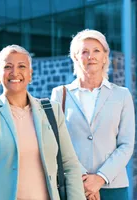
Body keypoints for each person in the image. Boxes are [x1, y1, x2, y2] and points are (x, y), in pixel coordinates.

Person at [0, 45, 85, 200]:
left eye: (22, 66)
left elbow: (70, 165)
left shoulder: (51, 110)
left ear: (30, 74)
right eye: (8, 66)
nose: (15, 72)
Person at [51, 29, 135, 200]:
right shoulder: (60, 94)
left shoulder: (122, 94)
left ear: (105, 56)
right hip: (74, 186)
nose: (91, 56)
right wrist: (83, 179)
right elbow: (56, 143)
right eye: (84, 52)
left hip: (114, 187)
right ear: (75, 57)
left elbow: (126, 144)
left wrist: (100, 178)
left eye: (97, 50)